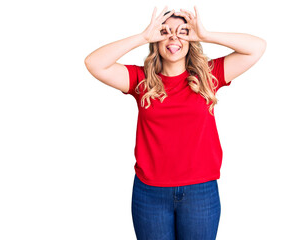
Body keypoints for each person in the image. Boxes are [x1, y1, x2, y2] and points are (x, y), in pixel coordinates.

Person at [84, 5, 266, 240]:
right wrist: (142, 36)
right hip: (150, 193)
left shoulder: (208, 77)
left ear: (190, 40)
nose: (173, 37)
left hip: (201, 191)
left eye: (182, 31)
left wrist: (206, 34)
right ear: (156, 41)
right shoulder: (141, 81)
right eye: (165, 32)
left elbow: (257, 48)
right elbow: (94, 63)